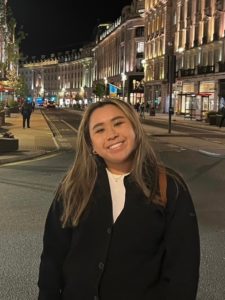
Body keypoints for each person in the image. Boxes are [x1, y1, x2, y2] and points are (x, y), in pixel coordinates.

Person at [38, 99, 200, 300]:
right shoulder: (73, 187)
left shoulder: (170, 187)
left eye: (118, 123)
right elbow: (52, 260)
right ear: (91, 145)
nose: (112, 134)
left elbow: (183, 272)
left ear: (134, 128)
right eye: (99, 130)